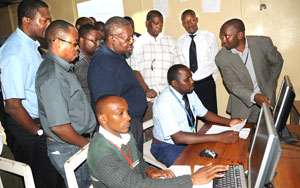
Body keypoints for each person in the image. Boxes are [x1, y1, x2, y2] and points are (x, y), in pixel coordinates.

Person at [87, 95, 229, 188]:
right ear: (103, 119)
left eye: (127, 112)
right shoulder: (102, 155)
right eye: (120, 114)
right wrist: (191, 180)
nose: (128, 118)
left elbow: (138, 162)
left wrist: (149, 169)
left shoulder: (124, 134)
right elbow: (133, 185)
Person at [0, 1, 65, 187]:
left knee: (55, 176)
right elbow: (12, 106)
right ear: (26, 20)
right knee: (44, 179)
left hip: (40, 120)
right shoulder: (15, 52)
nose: (48, 25)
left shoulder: (32, 46)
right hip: (28, 124)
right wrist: (38, 132)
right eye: (44, 20)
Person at [35, 20, 97, 188]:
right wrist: (87, 145)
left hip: (75, 144)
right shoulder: (53, 76)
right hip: (70, 146)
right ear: (57, 42)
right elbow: (59, 127)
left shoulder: (63, 68)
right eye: (74, 44)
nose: (77, 48)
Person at [151, 64, 242, 167]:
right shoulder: (164, 103)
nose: (192, 81)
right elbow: (178, 138)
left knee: (220, 154)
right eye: (187, 79)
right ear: (175, 83)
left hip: (187, 140)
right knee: (197, 166)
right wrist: (218, 137)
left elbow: (205, 113)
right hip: (166, 146)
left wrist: (229, 122)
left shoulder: (189, 92)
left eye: (191, 77)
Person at [88, 16, 147, 153]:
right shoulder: (103, 63)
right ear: (112, 38)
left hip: (129, 124)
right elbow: (106, 107)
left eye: (132, 37)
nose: (131, 42)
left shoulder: (114, 55)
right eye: (127, 38)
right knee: (130, 169)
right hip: (121, 129)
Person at [215, 18, 283, 122]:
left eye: (226, 36)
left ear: (240, 35)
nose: (223, 41)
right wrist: (254, 96)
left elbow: (277, 62)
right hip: (242, 106)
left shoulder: (263, 43)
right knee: (243, 137)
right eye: (222, 37)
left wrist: (271, 83)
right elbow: (233, 85)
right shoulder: (222, 57)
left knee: (267, 134)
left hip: (266, 101)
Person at [128, 10, 185, 98]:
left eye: (161, 24)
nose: (158, 27)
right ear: (147, 23)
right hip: (148, 97)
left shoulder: (170, 42)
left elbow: (179, 68)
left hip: (169, 95)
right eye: (155, 23)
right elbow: (135, 70)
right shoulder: (137, 44)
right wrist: (146, 89)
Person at [178, 9, 219, 115]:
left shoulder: (209, 37)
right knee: (190, 116)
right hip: (188, 85)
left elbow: (215, 60)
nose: (190, 24)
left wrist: (211, 80)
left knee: (211, 115)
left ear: (196, 19)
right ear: (183, 24)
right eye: (186, 22)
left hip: (206, 83)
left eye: (192, 20)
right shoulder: (180, 42)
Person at [74, 24, 101, 103]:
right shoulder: (79, 62)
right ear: (82, 40)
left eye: (99, 41)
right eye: (95, 41)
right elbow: (87, 90)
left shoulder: (93, 57)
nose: (98, 44)